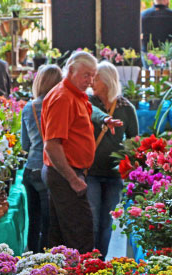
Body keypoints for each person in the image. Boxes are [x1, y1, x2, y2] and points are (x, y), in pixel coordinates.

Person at [41, 51, 121, 253]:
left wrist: (104, 119)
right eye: (86, 75)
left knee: (62, 236)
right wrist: (73, 179)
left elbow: (88, 112)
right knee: (81, 235)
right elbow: (52, 145)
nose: (90, 81)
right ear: (71, 70)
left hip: (71, 172)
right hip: (66, 174)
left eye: (93, 76)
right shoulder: (62, 97)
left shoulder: (75, 94)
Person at [87, 61, 139, 260]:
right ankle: (89, 260)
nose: (92, 82)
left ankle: (100, 260)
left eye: (96, 78)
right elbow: (93, 113)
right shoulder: (89, 102)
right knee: (92, 220)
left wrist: (131, 166)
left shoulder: (126, 108)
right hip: (90, 172)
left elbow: (135, 142)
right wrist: (105, 119)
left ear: (107, 81)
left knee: (107, 222)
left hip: (114, 175)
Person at [21, 64, 62, 254]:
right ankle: (44, 261)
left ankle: (29, 259)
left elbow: (25, 145)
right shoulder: (58, 105)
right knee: (48, 221)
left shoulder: (29, 107)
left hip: (31, 169)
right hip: (49, 168)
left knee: (34, 220)